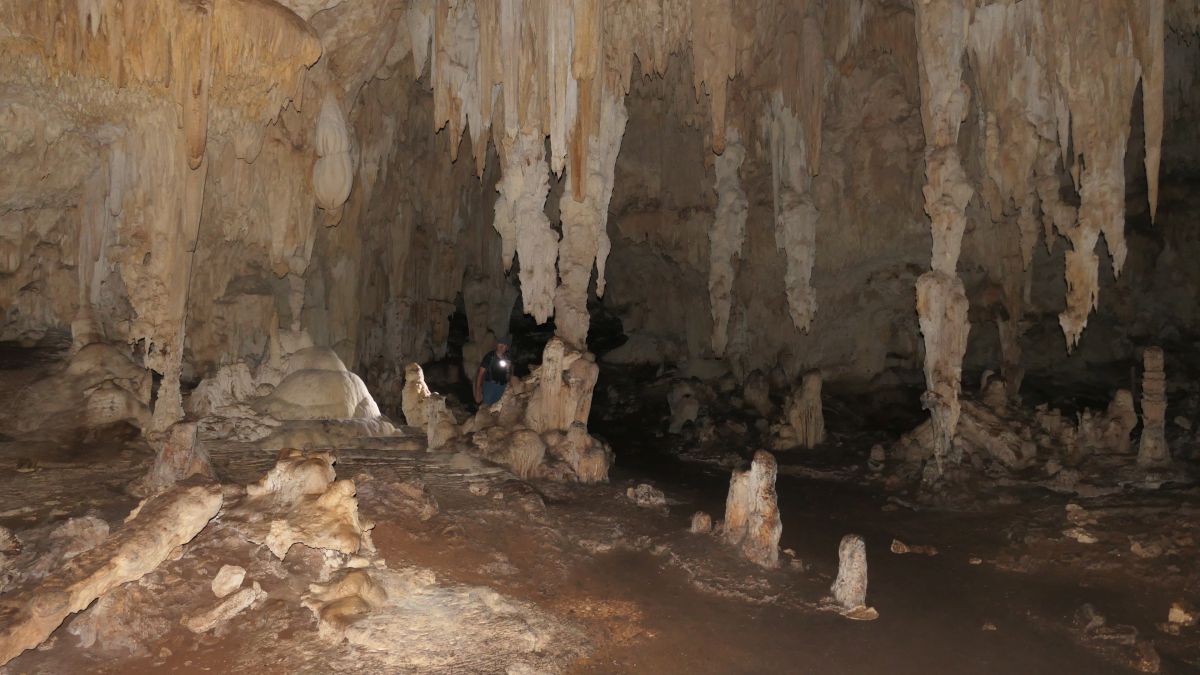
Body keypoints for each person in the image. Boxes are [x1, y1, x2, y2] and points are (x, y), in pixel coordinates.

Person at [474, 336, 512, 406]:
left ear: (506, 348)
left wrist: (508, 369)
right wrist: (478, 390)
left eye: (504, 345)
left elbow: (508, 377)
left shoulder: (507, 358)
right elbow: (480, 374)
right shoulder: (489, 357)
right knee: (487, 408)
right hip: (490, 386)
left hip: (502, 387)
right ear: (496, 345)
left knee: (498, 410)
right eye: (500, 344)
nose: (501, 347)